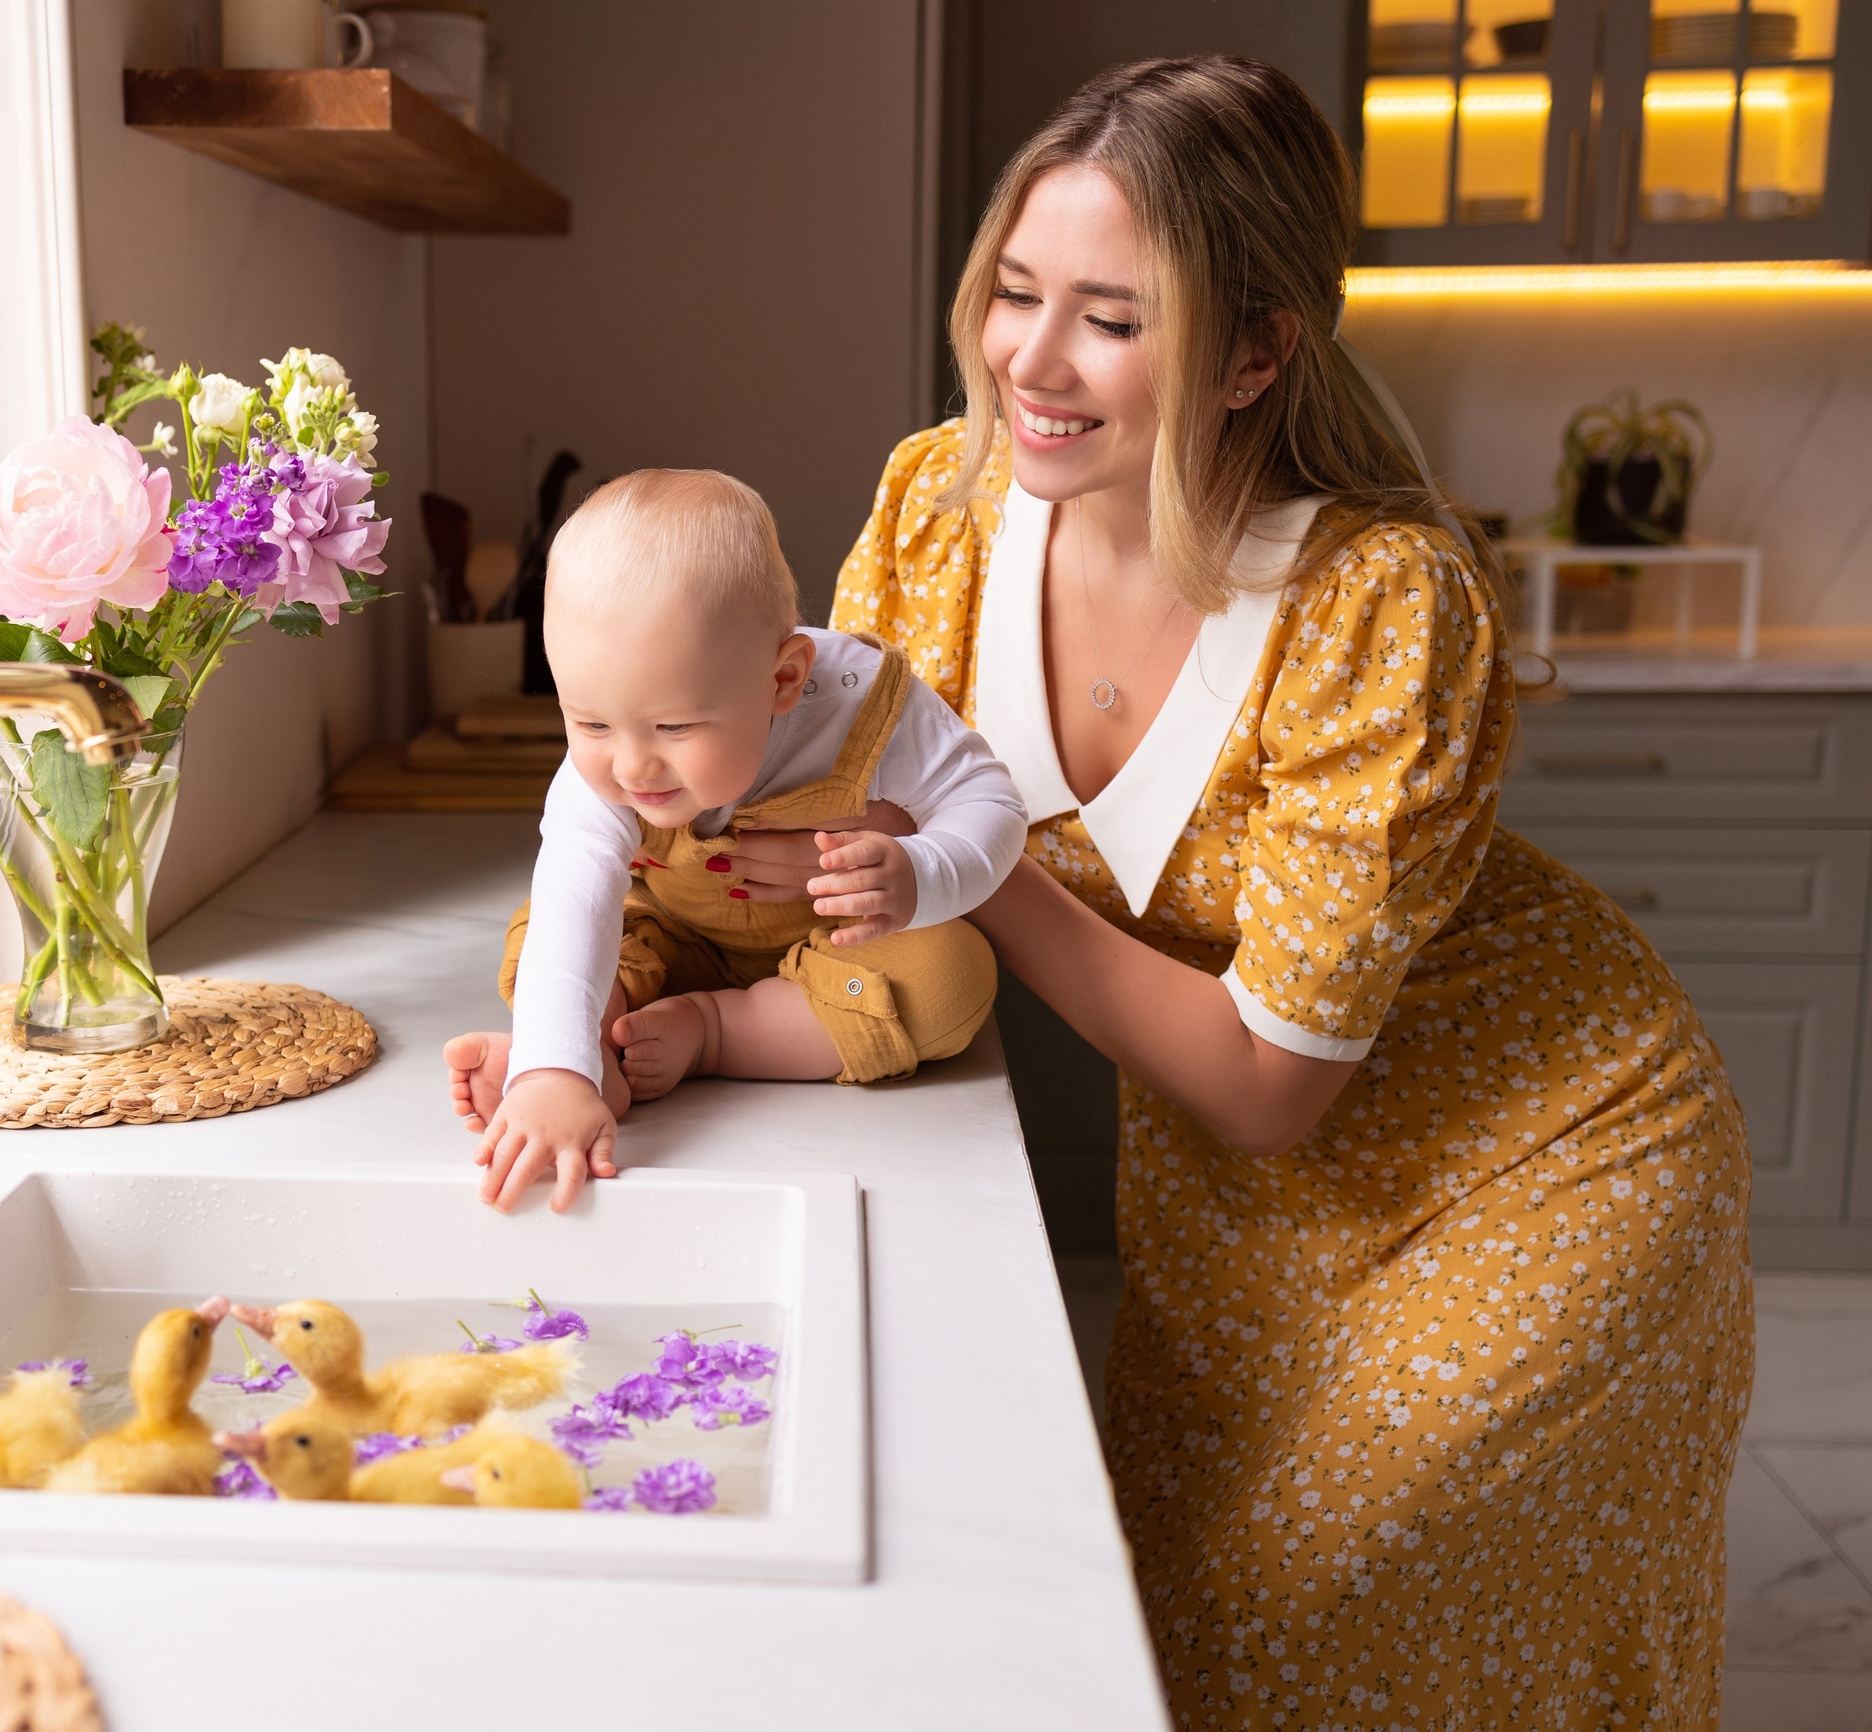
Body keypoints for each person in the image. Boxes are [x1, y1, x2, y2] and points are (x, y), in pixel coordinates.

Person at [737, 56, 1753, 1730]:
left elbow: (1276, 1077)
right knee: (1168, 1635)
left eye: (1111, 320)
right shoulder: (942, 507)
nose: (1031, 362)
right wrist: (619, 1001)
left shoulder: (1377, 598)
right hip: (1227, 1207)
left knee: (1297, 1616)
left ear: (1258, 351)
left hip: (1543, 1155)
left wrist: (968, 864)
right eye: (1014, 291)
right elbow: (810, 820)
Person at [444, 468, 1029, 1213]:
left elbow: (992, 805)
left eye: (674, 728)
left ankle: (712, 1032)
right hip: (670, 940)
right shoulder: (621, 746)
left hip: (829, 961)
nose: (629, 765)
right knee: (549, 936)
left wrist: (920, 870)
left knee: (952, 976)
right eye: (590, 723)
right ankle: (577, 1060)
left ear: (784, 679)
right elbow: (576, 886)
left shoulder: (867, 706)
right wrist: (549, 1069)